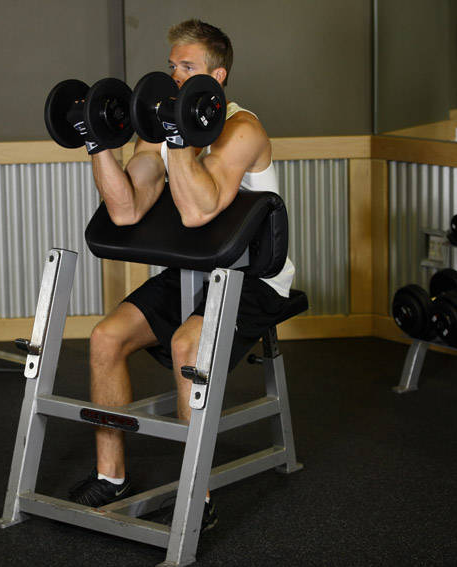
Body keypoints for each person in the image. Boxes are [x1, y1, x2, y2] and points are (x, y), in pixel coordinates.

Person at [68, 19, 296, 530]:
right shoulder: (159, 131)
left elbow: (198, 212)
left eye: (186, 68)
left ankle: (200, 494)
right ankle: (111, 476)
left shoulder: (242, 130)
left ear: (216, 76)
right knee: (105, 338)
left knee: (186, 347)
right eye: (171, 67)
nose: (173, 77)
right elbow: (126, 209)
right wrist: (96, 142)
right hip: (191, 272)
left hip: (251, 277)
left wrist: (177, 139)